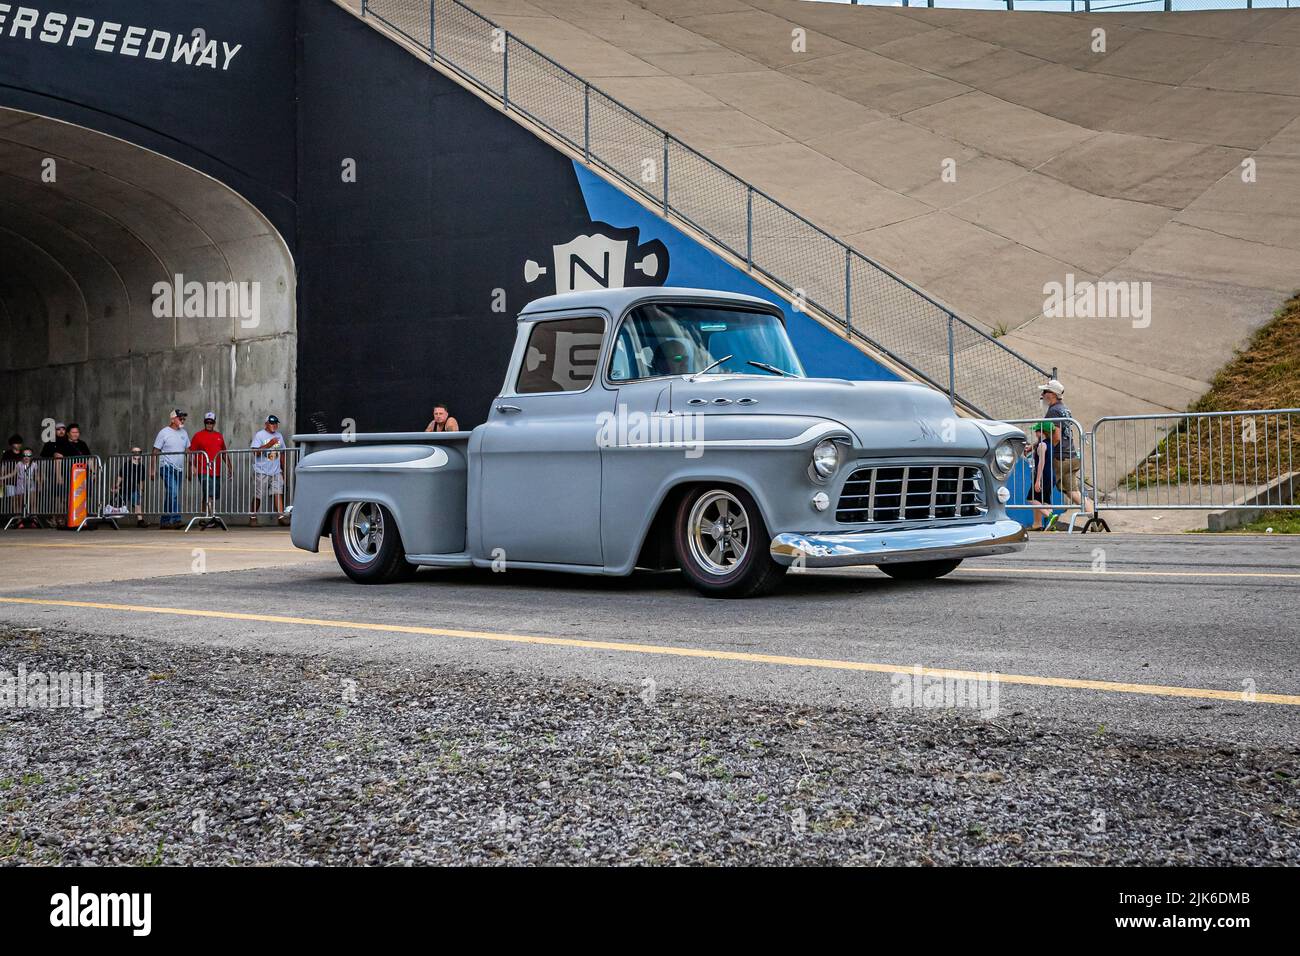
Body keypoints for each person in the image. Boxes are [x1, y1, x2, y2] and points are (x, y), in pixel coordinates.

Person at [1039, 379, 1090, 518]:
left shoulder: (1054, 411)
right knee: (1073, 491)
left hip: (1061, 456)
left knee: (1048, 488)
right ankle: (1094, 516)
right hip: (1071, 455)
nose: (1042, 394)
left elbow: (1056, 436)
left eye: (1045, 391)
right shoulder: (1064, 408)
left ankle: (1048, 517)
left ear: (1052, 394)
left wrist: (1050, 451)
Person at [151, 409, 190, 529]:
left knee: (173, 494)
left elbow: (188, 451)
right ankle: (175, 519)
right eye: (180, 418)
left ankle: (165, 521)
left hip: (179, 468)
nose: (182, 420)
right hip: (167, 466)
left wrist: (190, 467)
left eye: (183, 418)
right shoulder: (164, 432)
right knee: (172, 492)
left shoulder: (184, 433)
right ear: (173, 419)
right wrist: (152, 469)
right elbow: (155, 451)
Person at [250, 414, 289, 527]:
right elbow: (255, 452)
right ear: (266, 424)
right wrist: (269, 445)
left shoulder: (279, 436)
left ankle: (281, 517)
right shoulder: (260, 435)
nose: (274, 425)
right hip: (262, 470)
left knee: (278, 492)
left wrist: (283, 470)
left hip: (276, 470)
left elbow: (282, 454)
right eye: (272, 423)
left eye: (276, 423)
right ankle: (253, 517)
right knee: (259, 495)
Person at [189, 412, 227, 520]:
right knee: (208, 493)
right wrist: (192, 466)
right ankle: (211, 517)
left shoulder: (219, 436)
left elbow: (224, 452)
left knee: (212, 495)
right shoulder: (198, 436)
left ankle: (203, 517)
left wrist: (229, 466)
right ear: (204, 423)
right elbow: (191, 452)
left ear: (214, 423)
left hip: (216, 470)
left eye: (211, 422)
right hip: (203, 470)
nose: (209, 424)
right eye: (207, 422)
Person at [1024, 422, 1057, 531]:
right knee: (1045, 500)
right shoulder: (1050, 444)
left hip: (1043, 476)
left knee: (1031, 498)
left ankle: (1049, 516)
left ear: (1042, 432)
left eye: (1037, 431)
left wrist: (1037, 481)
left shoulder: (1042, 445)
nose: (1035, 432)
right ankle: (1039, 525)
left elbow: (1041, 463)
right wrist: (1032, 447)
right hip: (1050, 476)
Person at [113, 447, 148, 528]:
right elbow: (120, 476)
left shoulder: (141, 467)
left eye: (139, 452)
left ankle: (140, 521)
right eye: (135, 452)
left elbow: (141, 480)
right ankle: (113, 520)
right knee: (118, 504)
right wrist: (116, 486)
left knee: (137, 504)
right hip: (124, 488)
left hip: (134, 489)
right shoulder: (127, 464)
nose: (137, 453)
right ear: (132, 453)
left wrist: (142, 489)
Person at [13, 449, 40, 527]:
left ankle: (34, 519)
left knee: (33, 502)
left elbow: (37, 475)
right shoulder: (19, 464)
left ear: (31, 457)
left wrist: (40, 482)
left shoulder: (34, 464)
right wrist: (2, 478)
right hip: (20, 483)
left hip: (30, 483)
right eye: (25, 455)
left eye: (28, 455)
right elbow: (13, 473)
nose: (26, 457)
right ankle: (19, 520)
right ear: (22, 456)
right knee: (20, 502)